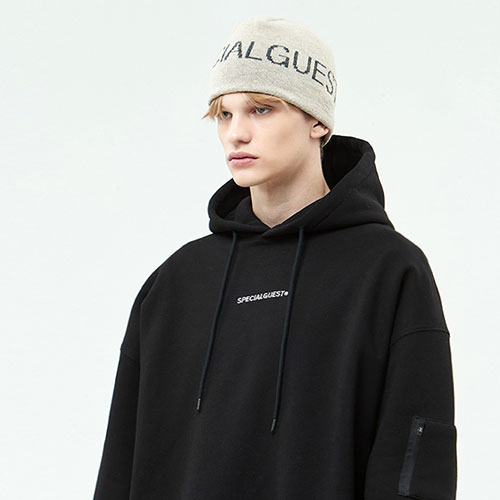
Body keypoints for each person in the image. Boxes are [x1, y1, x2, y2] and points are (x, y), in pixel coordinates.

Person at [92, 16, 458, 500]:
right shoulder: (176, 283)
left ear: (317, 120)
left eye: (261, 109)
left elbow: (416, 460)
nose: (235, 134)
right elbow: (120, 463)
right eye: (223, 114)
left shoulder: (389, 271)